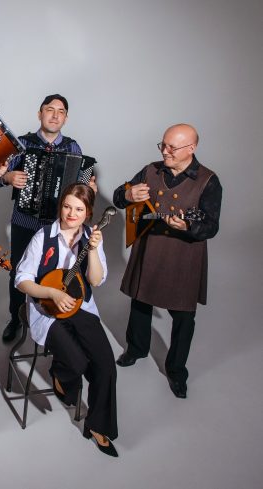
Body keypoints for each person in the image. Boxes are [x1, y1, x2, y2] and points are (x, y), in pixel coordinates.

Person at [113, 124, 222, 399]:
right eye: (163, 145)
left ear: (191, 148)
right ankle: (136, 349)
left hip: (184, 256)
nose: (165, 151)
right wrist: (127, 195)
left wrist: (188, 226)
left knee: (184, 317)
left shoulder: (209, 181)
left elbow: (211, 226)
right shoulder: (150, 170)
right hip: (148, 248)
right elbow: (118, 197)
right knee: (140, 303)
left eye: (172, 147)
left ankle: (176, 370)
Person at [15, 183, 118, 457]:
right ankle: (60, 375)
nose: (71, 214)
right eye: (67, 206)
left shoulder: (92, 237)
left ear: (88, 213)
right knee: (78, 362)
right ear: (61, 206)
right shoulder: (43, 237)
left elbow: (96, 280)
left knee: (106, 366)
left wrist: (93, 250)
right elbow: (22, 279)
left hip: (81, 306)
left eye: (79, 209)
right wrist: (52, 293)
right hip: (46, 309)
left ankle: (97, 426)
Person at [0, 94, 97, 343]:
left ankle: (54, 318)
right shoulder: (22, 143)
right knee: (19, 271)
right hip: (24, 221)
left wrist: (89, 188)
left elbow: (81, 188)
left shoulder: (73, 148)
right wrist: (9, 178)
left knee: (56, 272)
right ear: (40, 114)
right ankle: (16, 318)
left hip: (58, 226)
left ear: (66, 118)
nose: (55, 115)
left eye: (61, 111)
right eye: (50, 109)